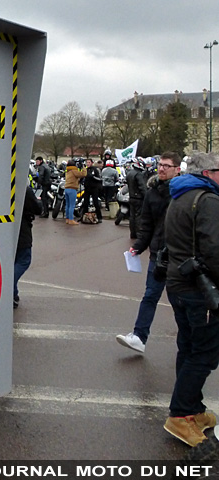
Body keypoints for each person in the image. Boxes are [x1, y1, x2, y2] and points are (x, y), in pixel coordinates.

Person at [162, 152, 219, 447]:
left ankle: (192, 409)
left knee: (189, 346)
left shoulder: (180, 195)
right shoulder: (207, 200)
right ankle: (181, 414)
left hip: (179, 284)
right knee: (205, 353)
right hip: (200, 289)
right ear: (208, 172)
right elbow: (214, 250)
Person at [116, 152, 181, 353]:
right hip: (158, 254)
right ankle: (139, 336)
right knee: (150, 295)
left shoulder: (183, 193)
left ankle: (190, 337)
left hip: (179, 255)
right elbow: (147, 224)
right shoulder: (152, 192)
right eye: (160, 165)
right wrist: (138, 246)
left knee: (179, 300)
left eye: (167, 166)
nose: (162, 168)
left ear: (177, 169)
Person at [14, 185, 43, 308]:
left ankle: (13, 294)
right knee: (24, 260)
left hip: (5, 229)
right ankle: (7, 289)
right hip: (22, 229)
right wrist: (39, 201)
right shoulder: (23, 189)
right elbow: (37, 209)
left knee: (13, 261)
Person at [126, 159, 147, 239]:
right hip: (138, 198)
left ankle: (133, 233)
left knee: (132, 216)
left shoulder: (129, 173)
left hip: (131, 197)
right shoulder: (139, 174)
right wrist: (146, 196)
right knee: (138, 216)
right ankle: (138, 233)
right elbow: (142, 187)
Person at [64, 159, 86, 225]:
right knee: (72, 205)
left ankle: (67, 219)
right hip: (72, 189)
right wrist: (83, 167)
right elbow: (83, 174)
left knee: (67, 205)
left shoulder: (68, 170)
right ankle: (71, 220)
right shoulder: (74, 171)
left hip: (67, 188)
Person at [81, 158, 103, 223]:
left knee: (96, 202)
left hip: (94, 188)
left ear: (92, 163)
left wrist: (92, 177)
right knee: (85, 203)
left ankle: (99, 217)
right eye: (87, 162)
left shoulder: (95, 170)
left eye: (89, 162)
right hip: (87, 188)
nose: (87, 164)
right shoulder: (85, 170)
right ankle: (83, 216)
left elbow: (99, 179)